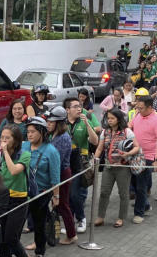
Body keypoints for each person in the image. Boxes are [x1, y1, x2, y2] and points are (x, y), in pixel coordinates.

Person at [0, 125, 33, 257]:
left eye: (7, 138)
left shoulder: (24, 155)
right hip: (2, 200)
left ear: (16, 140)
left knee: (11, 236)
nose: (3, 141)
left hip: (19, 199)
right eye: (2, 137)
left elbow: (14, 171)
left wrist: (4, 152)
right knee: (1, 237)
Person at [22, 116, 61, 257]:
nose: (29, 134)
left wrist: (56, 197)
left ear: (42, 132)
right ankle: (11, 250)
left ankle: (40, 251)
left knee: (39, 224)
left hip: (42, 194)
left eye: (33, 131)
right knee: (16, 224)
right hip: (23, 192)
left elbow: (55, 177)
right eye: (28, 131)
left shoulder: (51, 151)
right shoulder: (23, 146)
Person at [94, 108, 139, 227]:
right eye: (108, 118)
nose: (109, 120)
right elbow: (99, 148)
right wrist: (95, 160)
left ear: (118, 119)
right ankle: (100, 216)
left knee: (123, 194)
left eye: (112, 118)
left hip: (123, 168)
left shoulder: (127, 132)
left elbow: (136, 147)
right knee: (104, 192)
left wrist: (128, 154)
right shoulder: (105, 132)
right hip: (108, 167)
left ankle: (121, 218)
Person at [128, 95, 157, 224]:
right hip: (134, 154)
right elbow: (130, 126)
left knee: (141, 186)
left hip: (148, 157)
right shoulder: (138, 115)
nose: (138, 109)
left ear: (150, 107)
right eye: (137, 107)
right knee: (133, 183)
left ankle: (139, 213)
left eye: (141, 108)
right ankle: (146, 204)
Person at [65, 97, 100, 233]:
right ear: (67, 110)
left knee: (75, 194)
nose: (79, 109)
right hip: (66, 160)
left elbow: (95, 141)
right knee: (67, 195)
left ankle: (81, 218)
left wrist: (87, 125)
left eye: (79, 106)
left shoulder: (84, 121)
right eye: (75, 106)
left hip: (80, 161)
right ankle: (70, 222)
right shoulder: (62, 123)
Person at [44, 106, 77, 243]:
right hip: (57, 173)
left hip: (61, 173)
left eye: (51, 122)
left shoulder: (63, 138)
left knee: (63, 204)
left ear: (58, 123)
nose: (48, 124)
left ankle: (71, 234)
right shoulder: (54, 135)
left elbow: (57, 162)